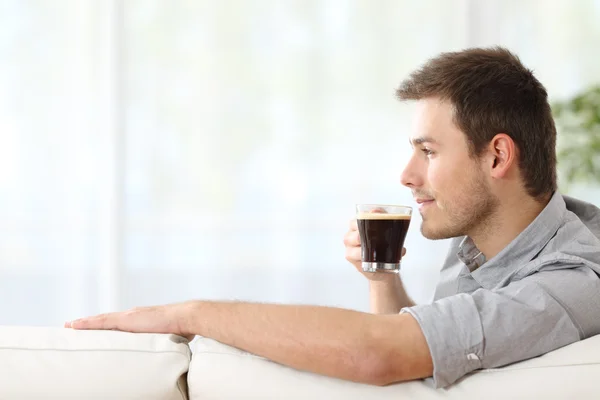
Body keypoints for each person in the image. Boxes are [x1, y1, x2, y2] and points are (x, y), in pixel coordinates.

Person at [65, 47, 600, 388]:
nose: (407, 174)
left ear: (498, 156)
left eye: (429, 152)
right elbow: (421, 344)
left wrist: (189, 314)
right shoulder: (490, 240)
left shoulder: (575, 281)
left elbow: (381, 355)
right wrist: (383, 279)